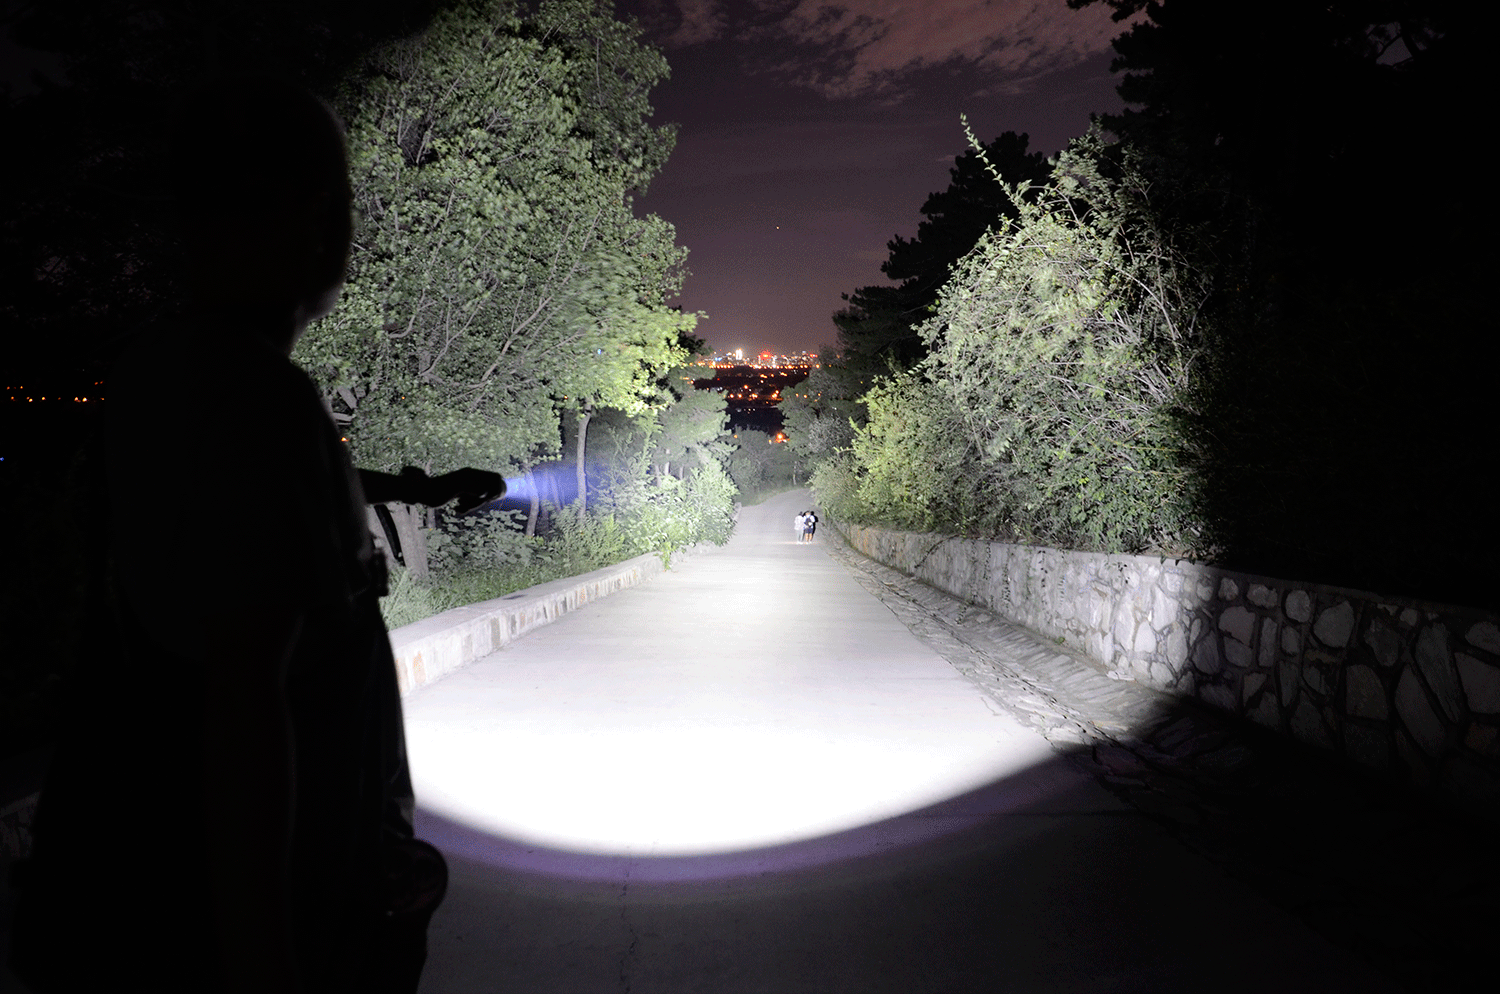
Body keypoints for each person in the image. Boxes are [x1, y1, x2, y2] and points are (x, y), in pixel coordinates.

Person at [9, 78, 499, 994]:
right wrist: (265, 963)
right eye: (339, 200)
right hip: (269, 916)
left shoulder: (162, 370)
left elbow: (252, 513)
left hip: (158, 894)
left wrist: (412, 490)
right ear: (312, 218)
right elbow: (247, 704)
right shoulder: (261, 401)